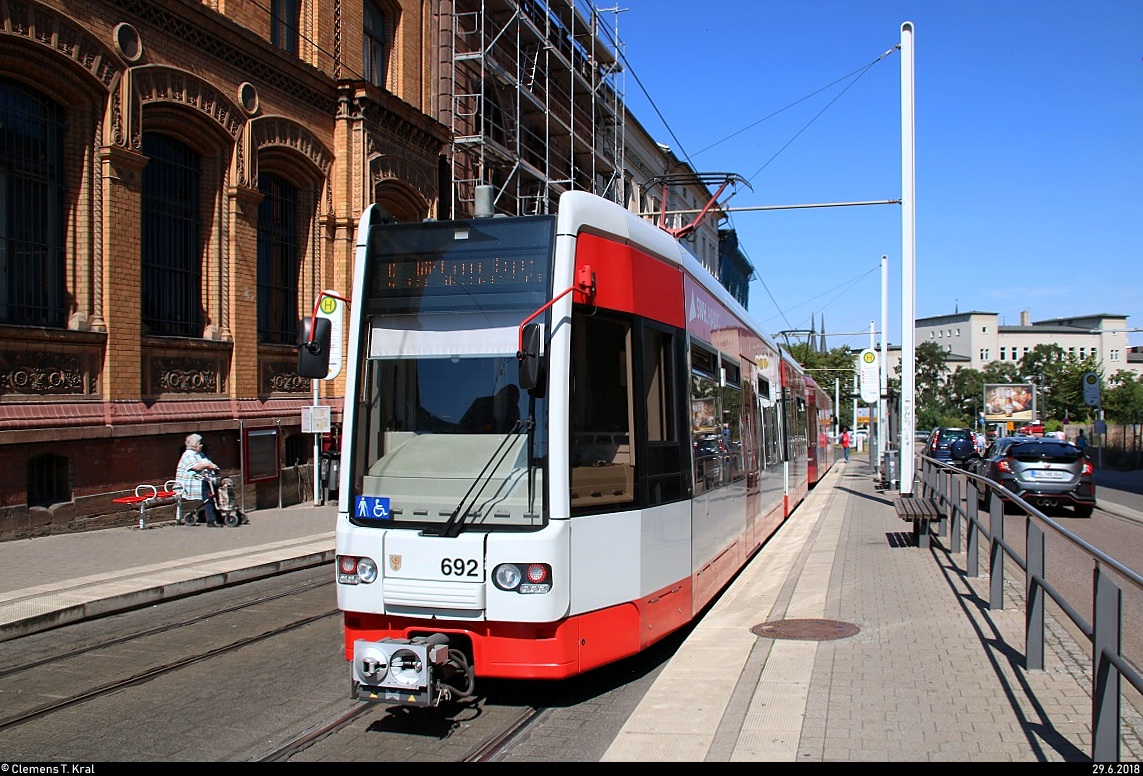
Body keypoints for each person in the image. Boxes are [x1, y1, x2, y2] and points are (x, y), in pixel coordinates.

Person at [177, 433, 222, 526]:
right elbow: (196, 467)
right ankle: (211, 520)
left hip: (201, 479)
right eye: (199, 443)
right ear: (193, 445)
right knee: (208, 493)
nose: (201, 445)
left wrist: (215, 467)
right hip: (189, 482)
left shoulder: (200, 454)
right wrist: (209, 466)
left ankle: (217, 515)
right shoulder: (188, 455)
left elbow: (209, 463)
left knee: (215, 491)